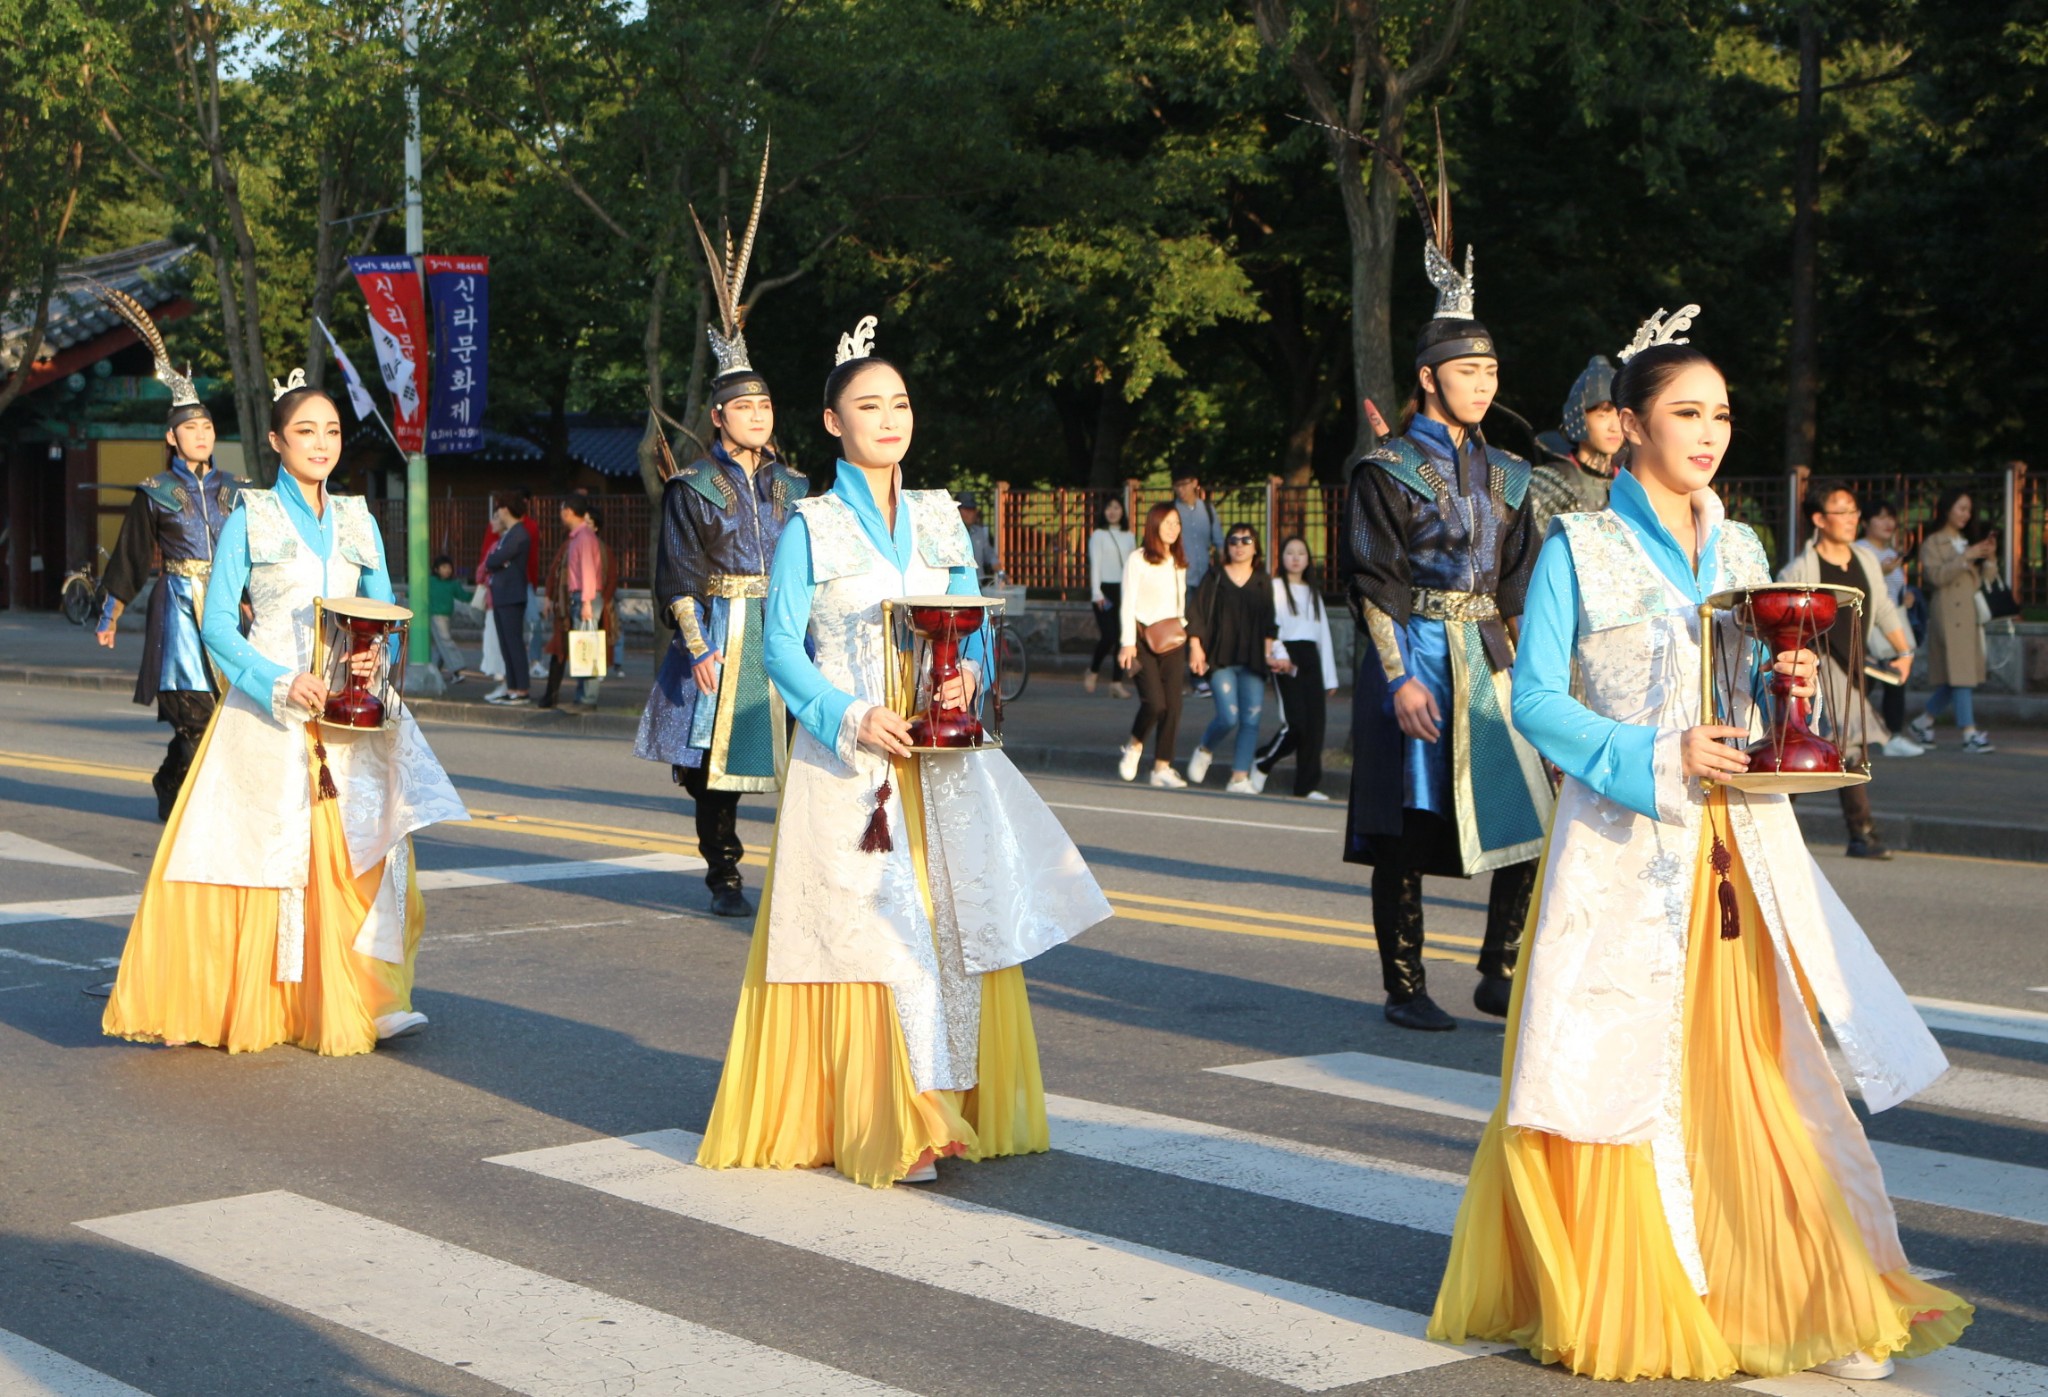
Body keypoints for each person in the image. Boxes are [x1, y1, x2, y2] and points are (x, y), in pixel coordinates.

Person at [1429, 310, 1970, 1383]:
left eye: (1721, 413)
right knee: (1614, 1069)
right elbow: (1531, 697)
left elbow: (1761, 672)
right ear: (1627, 425)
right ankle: (1652, 1284)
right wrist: (1652, 750)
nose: (1709, 432)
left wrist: (1793, 690)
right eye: (1685, 412)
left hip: (1740, 848)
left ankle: (1797, 1285)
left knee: (1763, 1074)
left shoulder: (1736, 546)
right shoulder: (1577, 544)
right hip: (1623, 848)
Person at [695, 319, 1111, 1188]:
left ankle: (948, 1097)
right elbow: (779, 648)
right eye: (868, 406)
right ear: (833, 422)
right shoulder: (808, 524)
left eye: (900, 404)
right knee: (872, 936)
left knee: (951, 924)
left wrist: (963, 684)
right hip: (852, 766)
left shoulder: (937, 519)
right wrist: (847, 714)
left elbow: (971, 630)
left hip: (940, 763)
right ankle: (894, 1115)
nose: (889, 418)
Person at [101, 372, 468, 1056]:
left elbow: (387, 609)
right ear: (275, 442)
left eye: (330, 430)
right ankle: (255, 995)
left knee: (365, 848)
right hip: (273, 709)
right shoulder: (252, 515)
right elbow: (216, 625)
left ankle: (370, 993)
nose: (321, 443)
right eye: (305, 430)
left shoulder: (358, 518)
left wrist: (374, 658)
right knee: (263, 850)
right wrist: (277, 680)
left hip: (350, 713)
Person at [1337, 158, 1549, 1030]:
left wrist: (1538, 675)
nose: (1485, 383)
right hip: (1418, 656)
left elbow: (1522, 584)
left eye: (1493, 371)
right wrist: (1400, 679)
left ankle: (1498, 970)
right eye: (1469, 372)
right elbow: (1371, 578)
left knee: (1530, 817)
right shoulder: (1386, 469)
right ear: (1430, 377)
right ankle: (1404, 986)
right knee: (1407, 834)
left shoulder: (1511, 473)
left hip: (1492, 662)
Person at [635, 158, 810, 919]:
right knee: (718, 766)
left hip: (788, 627)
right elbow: (675, 572)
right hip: (722, 631)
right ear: (718, 417)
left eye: (766, 404)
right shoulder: (692, 487)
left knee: (805, 757)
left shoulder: (796, 485)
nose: (759, 414)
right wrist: (699, 647)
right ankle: (726, 872)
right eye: (745, 407)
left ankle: (805, 871)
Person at [88, 286, 242, 821]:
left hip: (226, 608)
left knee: (230, 716)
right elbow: (131, 556)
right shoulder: (155, 490)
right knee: (194, 716)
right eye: (190, 428)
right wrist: (110, 614)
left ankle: (183, 784)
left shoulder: (237, 490)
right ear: (171, 437)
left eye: (207, 426)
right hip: (177, 608)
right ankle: (178, 789)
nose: (201, 434)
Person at [1778, 481, 1919, 859]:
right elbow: (1781, 622)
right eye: (1842, 512)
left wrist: (1905, 650)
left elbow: (1885, 609)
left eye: (1854, 511)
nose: (1851, 519)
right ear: (1819, 519)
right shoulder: (1800, 569)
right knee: (1847, 743)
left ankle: (1788, 827)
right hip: (1818, 668)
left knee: (1830, 748)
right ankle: (1862, 833)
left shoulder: (1865, 559)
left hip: (1855, 665)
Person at [1187, 524, 1282, 794]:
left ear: (1255, 547)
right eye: (1233, 540)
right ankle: (1205, 748)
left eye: (1246, 540)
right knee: (1229, 716)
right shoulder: (1215, 576)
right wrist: (1195, 647)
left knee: (1251, 719)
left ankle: (1239, 778)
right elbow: (1197, 614)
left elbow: (1268, 622)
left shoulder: (1263, 581)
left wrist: (1269, 654)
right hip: (1220, 657)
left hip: (1253, 659)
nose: (1239, 545)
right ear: (1226, 546)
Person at [1907, 488, 2000, 754]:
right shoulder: (1934, 543)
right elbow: (1935, 577)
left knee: (1958, 675)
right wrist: (1964, 558)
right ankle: (1969, 732)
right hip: (1947, 614)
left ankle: (1922, 722)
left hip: (1968, 615)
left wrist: (1990, 558)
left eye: (1968, 510)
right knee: (1961, 675)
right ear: (1947, 509)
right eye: (1960, 508)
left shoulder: (1966, 541)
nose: (1965, 514)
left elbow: (1986, 582)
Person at [1255, 536, 1339, 799]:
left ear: (1308, 560)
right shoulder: (1274, 587)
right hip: (1286, 657)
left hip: (1311, 658)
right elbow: (1270, 625)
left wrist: (1330, 678)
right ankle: (1262, 761)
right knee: (1296, 723)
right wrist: (1277, 654)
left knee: (1315, 725)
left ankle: (1307, 786)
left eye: (1301, 553)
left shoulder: (1313, 591)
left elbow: (1322, 634)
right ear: (1282, 558)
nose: (1295, 558)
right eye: (1290, 552)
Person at [1116, 504, 1191, 787]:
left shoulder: (1178, 560)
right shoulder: (1139, 559)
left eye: (1177, 523)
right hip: (1141, 639)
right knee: (1155, 703)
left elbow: (1180, 599)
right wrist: (1127, 644)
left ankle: (1162, 767)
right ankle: (1134, 745)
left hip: (1173, 638)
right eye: (1167, 523)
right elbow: (1128, 602)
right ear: (1154, 524)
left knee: (1173, 705)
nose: (1173, 529)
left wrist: (1184, 627)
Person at [1528, 353, 1623, 536]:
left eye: (1619, 415)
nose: (1614, 427)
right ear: (1578, 417)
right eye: (1602, 414)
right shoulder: (1549, 485)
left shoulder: (1634, 483)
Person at [540, 492, 615, 710]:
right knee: (583, 647)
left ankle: (588, 698)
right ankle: (583, 696)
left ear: (569, 512)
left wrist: (586, 603)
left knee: (587, 648)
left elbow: (588, 572)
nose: (561, 516)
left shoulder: (583, 539)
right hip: (583, 597)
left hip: (585, 597)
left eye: (563, 511)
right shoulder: (580, 538)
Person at [1861, 501, 1921, 749]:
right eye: (1881, 517)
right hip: (1867, 627)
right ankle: (1849, 733)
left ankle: (1892, 733)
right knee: (1864, 682)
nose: (1888, 523)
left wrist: (1905, 598)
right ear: (1865, 523)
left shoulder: (1891, 553)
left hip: (1890, 625)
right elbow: (1863, 588)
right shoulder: (1860, 551)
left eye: (1891, 518)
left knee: (1894, 679)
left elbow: (1890, 593)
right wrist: (1881, 572)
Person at [1173, 470, 1220, 696]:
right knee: (1182, 629)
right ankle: (1183, 677)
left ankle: (1201, 673)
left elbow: (1219, 542)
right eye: (1177, 486)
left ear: (1194, 483)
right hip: (1179, 580)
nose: (1181, 490)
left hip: (1204, 580)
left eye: (1184, 484)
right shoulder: (1172, 511)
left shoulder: (1208, 511)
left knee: (1203, 627)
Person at [482, 499, 533, 704]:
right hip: (503, 594)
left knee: (514, 643)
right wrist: (496, 561)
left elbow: (494, 559)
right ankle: (512, 687)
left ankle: (521, 689)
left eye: (500, 509)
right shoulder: (509, 534)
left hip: (511, 594)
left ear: (506, 509)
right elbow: (494, 560)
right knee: (506, 644)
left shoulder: (518, 534)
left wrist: (496, 560)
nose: (498, 513)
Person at [1084, 496, 1135, 697]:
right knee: (1109, 635)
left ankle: (1116, 682)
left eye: (1116, 507)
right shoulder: (1098, 535)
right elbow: (1095, 564)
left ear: (1122, 511)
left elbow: (1132, 565)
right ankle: (1093, 670)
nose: (1112, 511)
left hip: (1124, 589)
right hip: (1104, 590)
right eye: (1109, 508)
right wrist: (1096, 592)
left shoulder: (1129, 536)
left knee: (1123, 637)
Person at [427, 554, 465, 683]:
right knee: (445, 642)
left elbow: (463, 596)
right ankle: (456, 669)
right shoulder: (431, 581)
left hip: (448, 617)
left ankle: (435, 671)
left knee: (441, 644)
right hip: (436, 615)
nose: (447, 570)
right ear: (436, 569)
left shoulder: (453, 583)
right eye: (444, 567)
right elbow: (417, 591)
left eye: (449, 567)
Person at [957, 492, 999, 582]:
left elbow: (989, 553)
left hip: (977, 582)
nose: (971, 514)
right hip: (958, 583)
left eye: (973, 510)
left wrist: (999, 569)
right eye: (967, 510)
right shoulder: (950, 534)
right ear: (957, 511)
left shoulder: (979, 532)